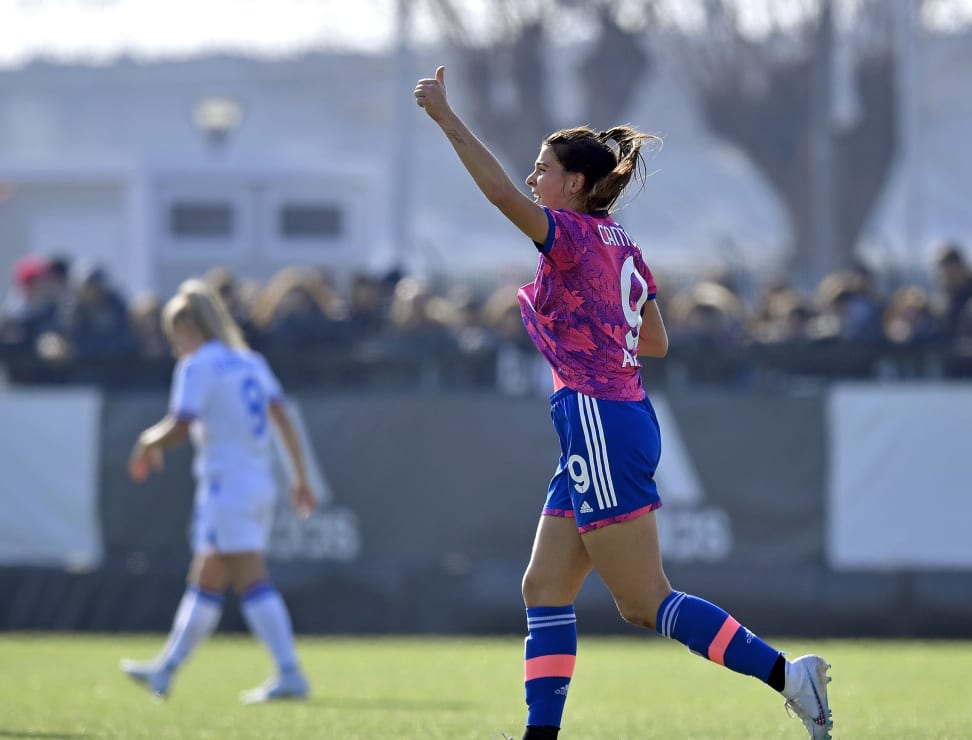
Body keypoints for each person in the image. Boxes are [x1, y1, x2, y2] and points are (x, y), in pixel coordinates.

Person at [414, 66, 833, 740]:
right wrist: (603, 342)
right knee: (543, 587)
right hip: (610, 416)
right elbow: (657, 340)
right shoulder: (621, 244)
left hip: (598, 418)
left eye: (542, 168)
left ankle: (790, 676)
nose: (531, 180)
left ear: (576, 183)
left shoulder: (573, 236)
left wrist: (445, 117)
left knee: (645, 602)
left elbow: (495, 193)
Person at [119, 279, 315, 703]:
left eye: (176, 336)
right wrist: (300, 477)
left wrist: (148, 441)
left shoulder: (199, 365)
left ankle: (290, 672)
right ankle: (166, 669)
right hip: (255, 482)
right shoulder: (251, 362)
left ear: (189, 327)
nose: (176, 347)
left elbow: (181, 424)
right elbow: (284, 419)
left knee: (251, 581)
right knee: (206, 580)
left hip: (228, 486)